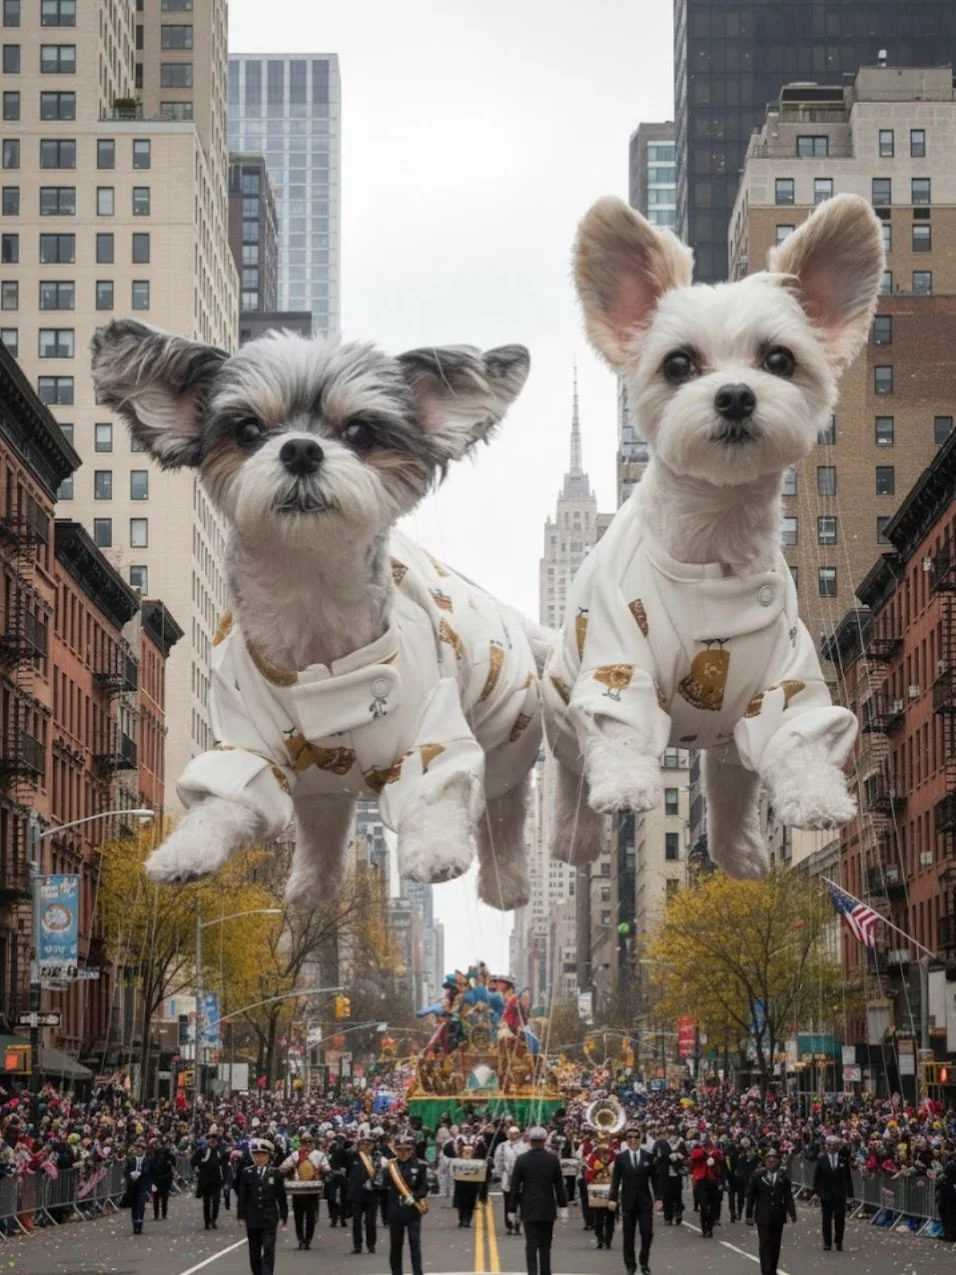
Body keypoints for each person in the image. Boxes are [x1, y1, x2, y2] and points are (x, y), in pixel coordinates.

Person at [510, 1125, 568, 1275]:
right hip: (547, 1207)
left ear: (530, 1141)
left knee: (531, 1245)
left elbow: (515, 1186)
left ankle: (532, 1272)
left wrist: (511, 1209)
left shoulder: (522, 1160)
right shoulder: (552, 1160)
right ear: (544, 1141)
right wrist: (563, 1206)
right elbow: (559, 1185)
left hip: (528, 1206)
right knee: (545, 1245)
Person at [609, 1125, 657, 1275]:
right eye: (630, 1137)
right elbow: (616, 1180)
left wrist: (660, 1198)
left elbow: (655, 1179)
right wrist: (613, 1198)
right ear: (626, 1140)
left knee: (647, 1232)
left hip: (644, 1202)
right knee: (628, 1235)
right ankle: (630, 1265)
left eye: (636, 1137)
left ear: (640, 1139)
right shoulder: (621, 1158)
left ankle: (644, 1262)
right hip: (628, 1201)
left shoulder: (648, 1157)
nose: (633, 1140)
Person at [237, 1138, 288, 1275]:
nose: (259, 1158)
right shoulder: (247, 1173)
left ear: (268, 1156)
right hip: (253, 1217)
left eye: (262, 1155)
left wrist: (283, 1217)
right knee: (254, 1251)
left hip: (269, 1216)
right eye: (256, 1155)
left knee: (268, 1248)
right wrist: (241, 1215)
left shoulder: (275, 1173)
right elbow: (243, 1196)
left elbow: (281, 1197)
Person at [746, 1148, 797, 1275]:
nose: (771, 1163)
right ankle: (766, 1270)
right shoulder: (757, 1176)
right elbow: (751, 1196)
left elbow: (788, 1195)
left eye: (774, 1160)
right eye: (769, 1160)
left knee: (775, 1244)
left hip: (778, 1215)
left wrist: (792, 1213)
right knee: (765, 1243)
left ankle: (773, 1268)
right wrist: (748, 1215)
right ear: (765, 1162)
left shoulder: (783, 1176)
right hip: (763, 1215)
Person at [385, 1134, 429, 1275]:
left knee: (414, 1243)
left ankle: (417, 1272)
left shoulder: (420, 1166)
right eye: (400, 1150)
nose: (403, 1153)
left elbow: (424, 1187)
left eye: (407, 1150)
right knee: (396, 1245)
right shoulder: (390, 1166)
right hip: (395, 1210)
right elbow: (381, 1184)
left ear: (412, 1150)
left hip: (412, 1210)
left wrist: (414, 1196)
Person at [279, 1129, 328, 1251]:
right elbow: (282, 1167)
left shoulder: (319, 1155)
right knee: (298, 1216)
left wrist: (321, 1170)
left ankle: (308, 1240)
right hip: (298, 1189)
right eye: (305, 1142)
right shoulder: (295, 1155)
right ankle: (300, 1239)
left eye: (310, 1142)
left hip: (312, 1190)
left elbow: (327, 1168)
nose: (307, 1145)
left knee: (310, 1217)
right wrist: (288, 1168)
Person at [812, 1134, 853, 1252]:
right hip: (826, 1194)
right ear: (826, 1146)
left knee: (840, 1219)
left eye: (835, 1145)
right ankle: (827, 1242)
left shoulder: (843, 1161)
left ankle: (839, 1242)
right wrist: (815, 1192)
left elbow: (847, 1178)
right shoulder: (821, 1160)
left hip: (840, 1194)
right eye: (829, 1145)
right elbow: (817, 1178)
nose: (832, 1148)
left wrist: (850, 1195)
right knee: (826, 1219)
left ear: (839, 1146)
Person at [347, 1130, 383, 1255]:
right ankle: (357, 1245)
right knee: (356, 1220)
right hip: (356, 1194)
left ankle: (371, 1245)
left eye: (370, 1144)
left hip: (372, 1194)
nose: (367, 1146)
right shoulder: (354, 1156)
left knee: (370, 1221)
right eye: (364, 1144)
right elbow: (342, 1154)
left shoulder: (378, 1158)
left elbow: (382, 1174)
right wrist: (355, 1143)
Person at [192, 1129, 228, 1230]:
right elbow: (193, 1161)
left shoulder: (220, 1152)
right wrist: (197, 1169)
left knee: (216, 1201)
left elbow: (225, 1166)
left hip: (216, 1180)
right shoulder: (202, 1150)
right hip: (205, 1180)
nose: (213, 1142)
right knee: (206, 1202)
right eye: (211, 1140)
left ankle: (214, 1220)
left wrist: (225, 1179)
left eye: (215, 1141)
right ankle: (207, 1221)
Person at [495, 1125, 528, 1235]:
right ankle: (509, 1224)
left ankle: (519, 1223)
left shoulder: (524, 1146)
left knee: (521, 1201)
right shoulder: (503, 1146)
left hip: (521, 1178)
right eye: (510, 1133)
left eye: (515, 1133)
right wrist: (499, 1173)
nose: (512, 1135)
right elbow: (498, 1161)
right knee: (508, 1201)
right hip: (507, 1177)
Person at [690, 1133, 723, 1238]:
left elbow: (720, 1157)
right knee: (704, 1206)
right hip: (701, 1181)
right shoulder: (698, 1150)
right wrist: (707, 1154)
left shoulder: (716, 1151)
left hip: (712, 1180)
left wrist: (712, 1155)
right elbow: (695, 1156)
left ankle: (710, 1228)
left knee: (712, 1206)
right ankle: (705, 1229)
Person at [585, 1138, 616, 1250]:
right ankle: (600, 1238)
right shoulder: (593, 1157)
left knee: (610, 1217)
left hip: (611, 1189)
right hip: (597, 1189)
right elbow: (588, 1173)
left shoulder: (614, 1156)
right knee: (598, 1218)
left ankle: (608, 1240)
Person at [651, 1126, 685, 1226]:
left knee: (677, 1195)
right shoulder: (659, 1144)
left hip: (676, 1173)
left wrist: (679, 1156)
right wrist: (662, 1157)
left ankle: (678, 1212)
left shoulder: (679, 1142)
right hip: (665, 1173)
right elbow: (656, 1157)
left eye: (669, 1133)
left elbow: (685, 1155)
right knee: (667, 1196)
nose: (667, 1135)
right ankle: (668, 1217)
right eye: (664, 1133)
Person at [727, 1137, 759, 1224]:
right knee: (733, 1197)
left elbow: (753, 1162)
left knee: (739, 1197)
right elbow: (729, 1163)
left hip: (741, 1178)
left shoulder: (750, 1153)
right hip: (734, 1176)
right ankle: (733, 1213)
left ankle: (738, 1213)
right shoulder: (734, 1152)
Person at [124, 1135, 152, 1236]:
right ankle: (135, 1224)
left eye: (141, 1148)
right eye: (137, 1148)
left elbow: (149, 1172)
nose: (139, 1150)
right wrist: (130, 1175)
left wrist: (141, 1173)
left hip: (142, 1185)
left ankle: (139, 1225)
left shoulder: (147, 1160)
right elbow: (126, 1171)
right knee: (134, 1207)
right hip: (133, 1186)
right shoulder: (130, 1159)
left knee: (141, 1206)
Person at [452, 1143, 483, 1228]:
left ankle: (467, 1219)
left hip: (472, 1185)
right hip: (461, 1184)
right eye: (465, 1151)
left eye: (469, 1151)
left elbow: (481, 1171)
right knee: (461, 1202)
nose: (467, 1153)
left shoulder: (477, 1162)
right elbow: (453, 1171)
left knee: (471, 1203)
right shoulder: (458, 1161)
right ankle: (461, 1218)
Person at [149, 1134, 176, 1221]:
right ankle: (157, 1215)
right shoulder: (156, 1154)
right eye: (163, 1143)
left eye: (166, 1143)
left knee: (164, 1198)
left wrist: (170, 1176)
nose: (164, 1145)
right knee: (156, 1197)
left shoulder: (170, 1155)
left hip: (165, 1178)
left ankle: (164, 1214)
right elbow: (152, 1165)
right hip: (157, 1178)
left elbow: (173, 1167)